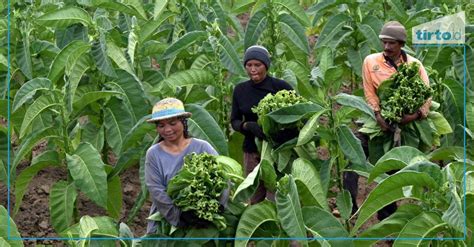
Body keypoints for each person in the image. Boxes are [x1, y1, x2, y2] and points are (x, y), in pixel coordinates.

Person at [361, 21, 431, 220]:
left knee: (400, 167)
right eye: (384, 42)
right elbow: (369, 92)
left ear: (401, 44)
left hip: (409, 122)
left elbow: (426, 94)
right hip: (379, 118)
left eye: (391, 43)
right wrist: (377, 114)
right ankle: (355, 203)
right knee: (360, 151)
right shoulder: (370, 62)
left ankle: (398, 214)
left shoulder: (414, 65)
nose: (387, 47)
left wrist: (416, 115)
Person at [144, 97, 220, 234]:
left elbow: (222, 177)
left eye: (173, 123)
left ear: (183, 122)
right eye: (161, 126)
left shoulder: (202, 147)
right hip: (166, 217)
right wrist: (178, 217)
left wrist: (217, 208)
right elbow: (156, 190)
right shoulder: (153, 154)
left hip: (204, 218)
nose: (167, 130)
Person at [230, 45, 293, 204]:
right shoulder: (240, 90)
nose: (253, 69)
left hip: (277, 150)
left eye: (257, 65)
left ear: (266, 65)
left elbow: (296, 117)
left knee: (276, 195)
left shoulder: (281, 87)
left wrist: (281, 135)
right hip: (251, 150)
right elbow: (234, 121)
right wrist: (247, 126)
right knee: (255, 193)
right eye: (249, 65)